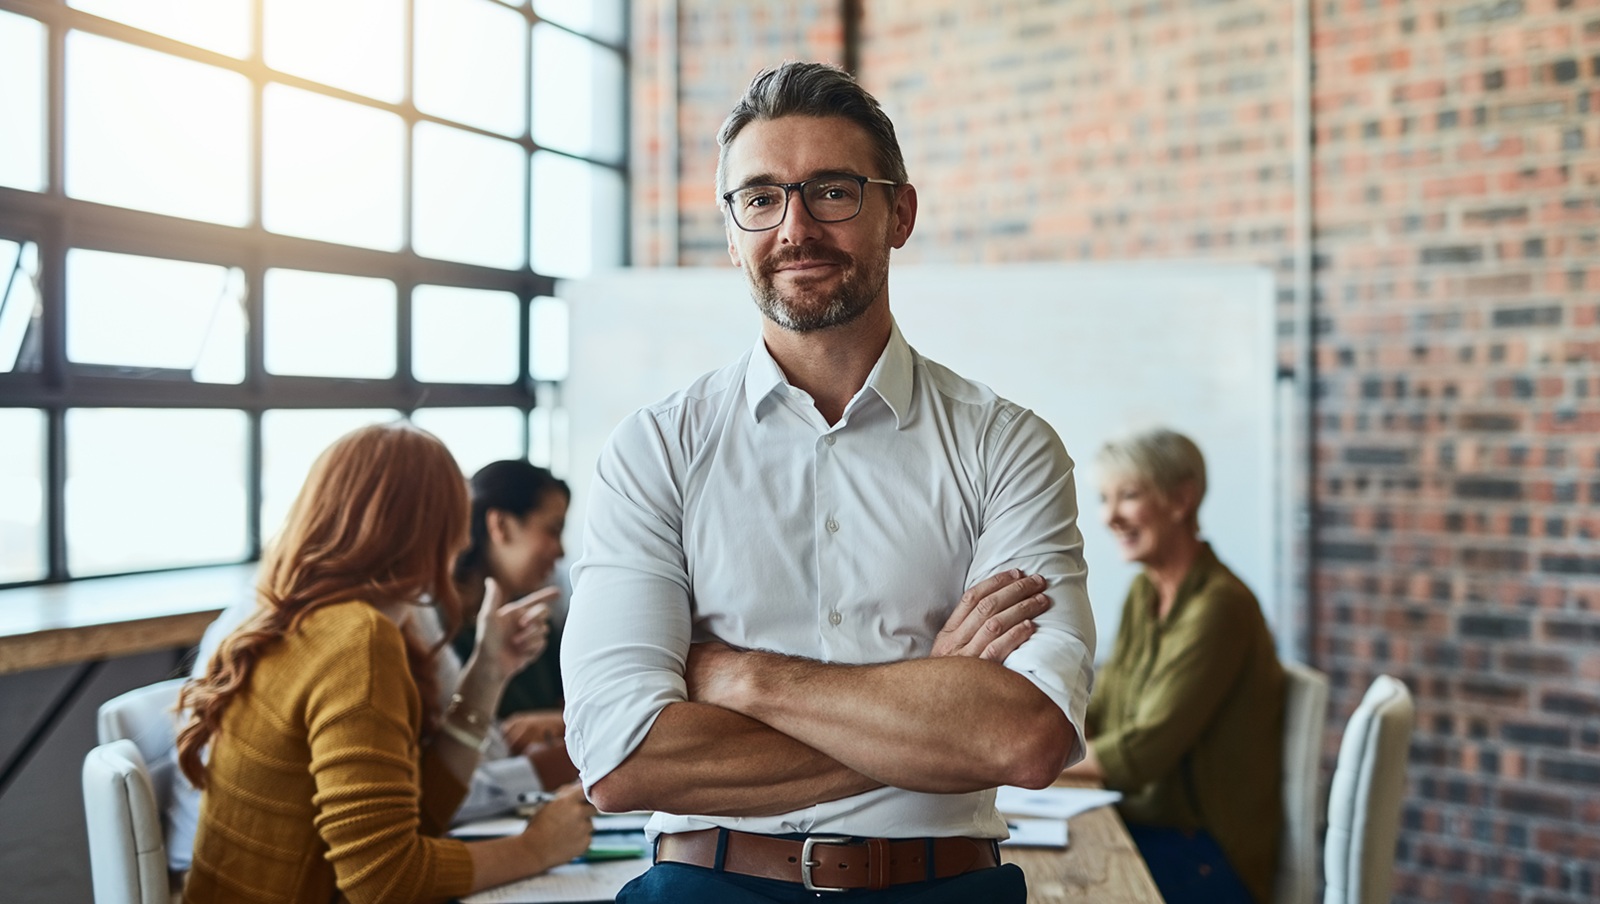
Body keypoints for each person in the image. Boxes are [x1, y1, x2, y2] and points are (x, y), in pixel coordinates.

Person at [561, 61, 1096, 903]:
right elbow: (622, 762)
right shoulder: (655, 450)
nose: (794, 228)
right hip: (707, 889)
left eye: (833, 192)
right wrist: (930, 693)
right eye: (762, 197)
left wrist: (743, 677)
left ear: (900, 212)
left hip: (941, 888)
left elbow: (1023, 736)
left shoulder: (1007, 446)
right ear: (733, 230)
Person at [174, 422, 592, 904]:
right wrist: (536, 848)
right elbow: (384, 881)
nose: (462, 536)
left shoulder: (313, 618)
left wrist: (487, 673)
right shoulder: (358, 639)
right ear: (425, 527)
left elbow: (415, 820)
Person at [1063, 427, 1284, 904]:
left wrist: (1028, 756)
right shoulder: (1145, 592)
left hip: (1209, 859)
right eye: (1105, 498)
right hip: (1151, 828)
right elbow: (1101, 709)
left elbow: (1142, 753)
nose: (1109, 516)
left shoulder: (1220, 607)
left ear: (1181, 499)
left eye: (1129, 495)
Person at [450, 459, 577, 786]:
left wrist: (559, 722)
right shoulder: (438, 629)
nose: (560, 551)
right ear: (501, 526)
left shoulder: (540, 624)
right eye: (553, 529)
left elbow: (580, 705)